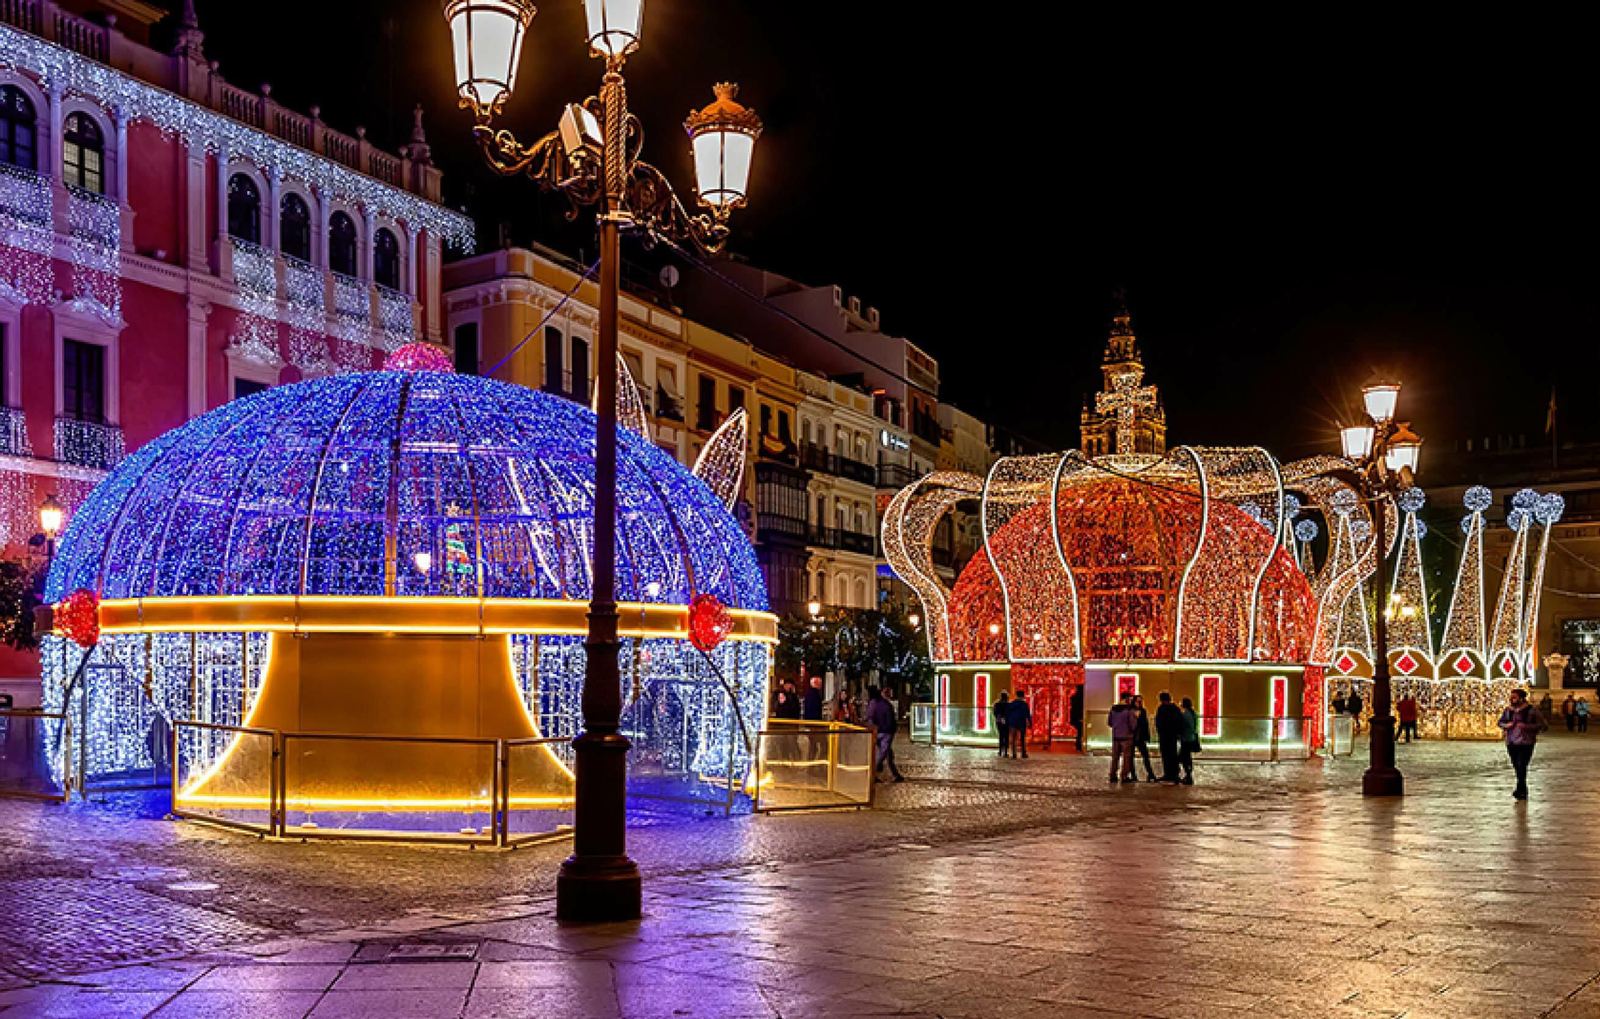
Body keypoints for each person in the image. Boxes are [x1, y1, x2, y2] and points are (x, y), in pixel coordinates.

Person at [1498, 688, 1548, 800]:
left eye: (1514, 697)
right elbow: (1500, 722)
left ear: (1521, 698)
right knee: (1516, 765)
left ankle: (1521, 789)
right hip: (1511, 741)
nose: (1512, 699)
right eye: (1511, 697)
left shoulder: (1532, 710)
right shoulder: (1508, 710)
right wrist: (1507, 725)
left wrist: (1527, 727)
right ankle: (1522, 788)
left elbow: (1543, 725)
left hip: (1526, 742)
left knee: (1522, 764)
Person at [865, 685, 904, 783]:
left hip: (878, 731)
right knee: (883, 754)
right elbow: (890, 721)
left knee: (888, 754)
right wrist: (891, 730)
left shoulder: (874, 704)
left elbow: (870, 717)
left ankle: (896, 774)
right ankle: (872, 773)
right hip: (885, 732)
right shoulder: (886, 705)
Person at [1154, 691, 1183, 785]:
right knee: (1173, 754)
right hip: (1172, 736)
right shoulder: (1175, 709)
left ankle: (1168, 773)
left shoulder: (1161, 709)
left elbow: (1158, 722)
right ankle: (1174, 774)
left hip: (1164, 736)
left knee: (1166, 755)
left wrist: (1160, 731)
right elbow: (1179, 722)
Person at [1108, 694, 1137, 783]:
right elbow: (1133, 724)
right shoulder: (1129, 710)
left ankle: (1113, 774)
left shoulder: (1113, 709)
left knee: (1115, 757)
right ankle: (1124, 775)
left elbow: (1110, 722)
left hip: (1116, 736)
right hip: (1127, 736)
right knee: (1126, 757)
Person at [1130, 694, 1158, 783]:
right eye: (1138, 701)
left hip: (1140, 737)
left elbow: (1145, 724)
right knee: (1131, 757)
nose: (1139, 703)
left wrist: (1147, 736)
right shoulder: (1130, 711)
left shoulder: (1143, 711)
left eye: (1140, 701)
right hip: (1132, 736)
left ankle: (1150, 774)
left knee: (1145, 756)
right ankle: (1133, 775)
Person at [1177, 696, 1199, 785]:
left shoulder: (1185, 714)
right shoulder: (1194, 713)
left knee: (1184, 757)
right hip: (1192, 738)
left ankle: (1187, 775)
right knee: (1187, 757)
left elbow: (1184, 726)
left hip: (1186, 738)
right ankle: (1188, 775)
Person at [1005, 690, 1031, 758]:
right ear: (1023, 696)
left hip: (1013, 721)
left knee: (1013, 737)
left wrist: (1008, 720)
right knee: (1022, 737)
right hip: (1021, 721)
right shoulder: (1024, 704)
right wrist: (1029, 722)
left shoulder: (1012, 704)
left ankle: (1014, 753)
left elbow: (1007, 713)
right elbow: (1027, 714)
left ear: (1016, 695)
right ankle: (1023, 753)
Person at [993, 690, 1010, 757]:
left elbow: (995, 713)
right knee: (1006, 736)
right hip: (1007, 720)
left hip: (999, 720)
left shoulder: (997, 704)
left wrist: (998, 718)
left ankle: (1000, 750)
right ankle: (1005, 751)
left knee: (1001, 735)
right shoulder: (1008, 704)